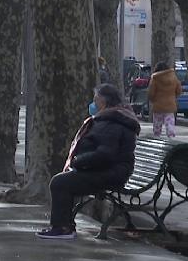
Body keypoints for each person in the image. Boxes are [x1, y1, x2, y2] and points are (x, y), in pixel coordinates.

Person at [37, 84, 140, 240]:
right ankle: (63, 226)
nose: (92, 104)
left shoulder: (113, 122)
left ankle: (63, 228)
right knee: (62, 181)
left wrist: (79, 162)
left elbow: (105, 154)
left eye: (95, 100)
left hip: (111, 173)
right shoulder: (109, 119)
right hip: (106, 169)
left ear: (103, 102)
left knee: (59, 182)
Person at [147, 61, 182, 138]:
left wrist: (152, 99)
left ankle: (157, 136)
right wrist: (173, 97)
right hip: (170, 104)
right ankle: (171, 135)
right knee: (169, 121)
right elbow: (179, 90)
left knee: (157, 123)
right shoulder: (174, 77)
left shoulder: (155, 78)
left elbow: (151, 92)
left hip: (158, 105)